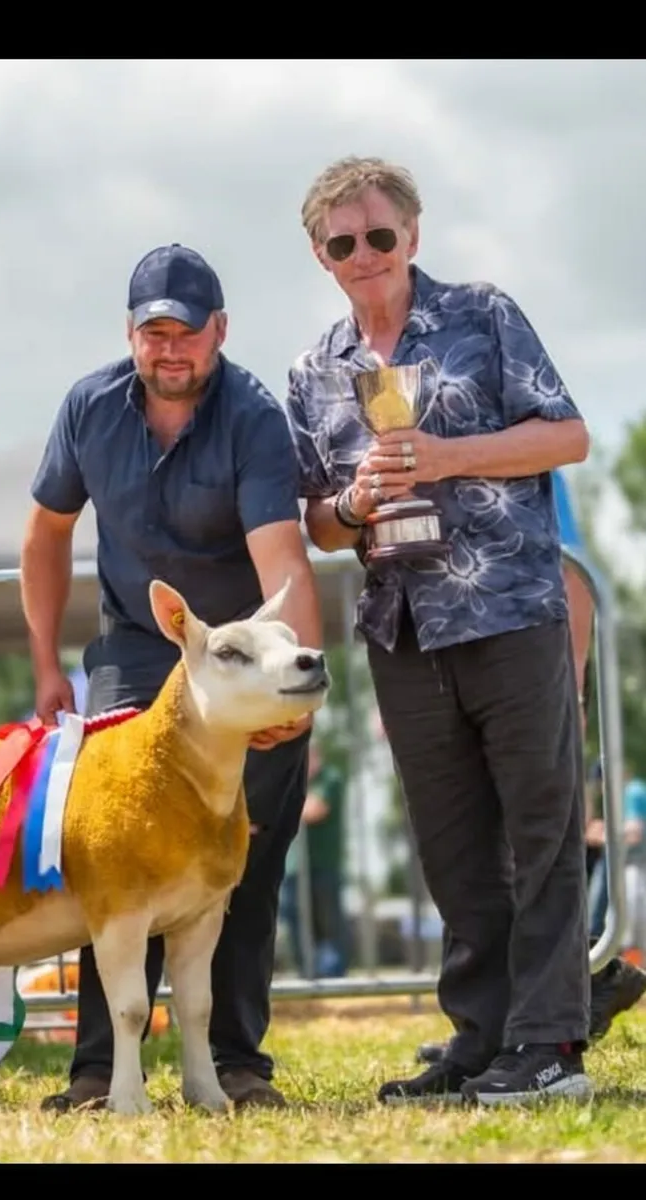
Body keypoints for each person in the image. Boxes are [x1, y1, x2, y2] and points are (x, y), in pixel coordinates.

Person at [285, 155, 594, 1106]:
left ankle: (549, 1049)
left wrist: (448, 456)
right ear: (321, 256)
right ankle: (483, 1036)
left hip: (509, 612)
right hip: (401, 628)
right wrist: (352, 499)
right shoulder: (311, 371)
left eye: (380, 234)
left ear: (411, 236)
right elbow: (318, 525)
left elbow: (565, 435)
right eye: (344, 242)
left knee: (540, 832)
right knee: (452, 846)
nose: (365, 253)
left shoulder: (486, 313)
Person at [20, 242, 323, 1111]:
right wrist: (46, 663)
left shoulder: (255, 416)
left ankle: (234, 1062)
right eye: (152, 333)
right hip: (132, 654)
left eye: (185, 333)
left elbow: (283, 564)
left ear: (218, 332)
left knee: (247, 858)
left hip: (241, 659)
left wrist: (286, 696)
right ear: (130, 334)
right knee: (109, 851)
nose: (169, 350)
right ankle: (95, 1070)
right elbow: (44, 534)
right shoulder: (88, 405)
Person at [414, 478, 646, 1065]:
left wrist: (570, 684)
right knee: (474, 856)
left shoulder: (527, 445)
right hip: (447, 674)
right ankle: (501, 1021)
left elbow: (572, 570)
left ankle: (567, 1003)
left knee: (530, 848)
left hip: (524, 671)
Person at [279, 741, 347, 978]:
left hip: (323, 865)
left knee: (328, 925)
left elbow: (315, 810)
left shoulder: (330, 778)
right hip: (293, 868)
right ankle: (306, 972)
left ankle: (332, 977)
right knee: (294, 920)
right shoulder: (293, 781)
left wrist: (282, 804)